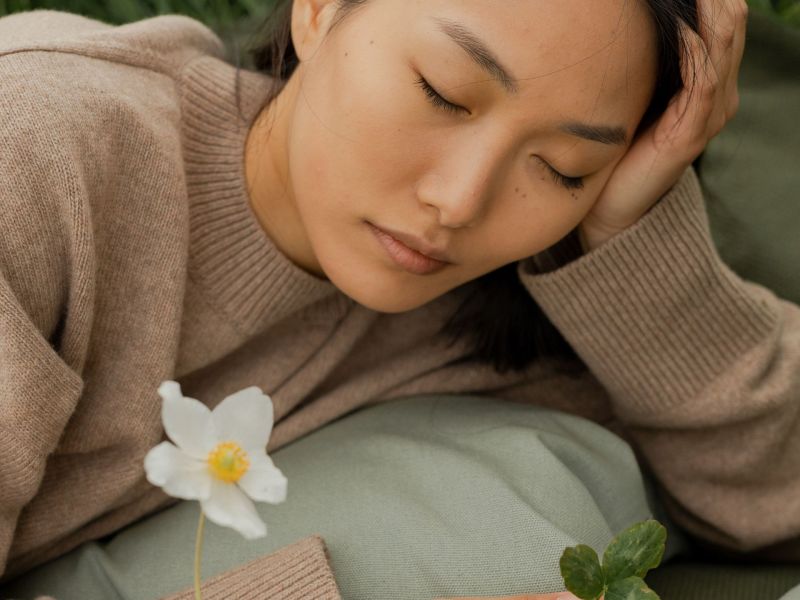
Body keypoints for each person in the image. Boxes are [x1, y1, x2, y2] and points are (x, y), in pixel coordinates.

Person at [1, 0, 794, 598]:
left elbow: (776, 496)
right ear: (319, 10)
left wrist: (634, 237)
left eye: (561, 166)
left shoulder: (505, 302)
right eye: (444, 93)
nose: (460, 201)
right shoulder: (35, 156)